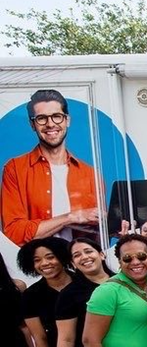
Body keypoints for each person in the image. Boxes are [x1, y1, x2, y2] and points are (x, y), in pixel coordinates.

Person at [1, 89, 99, 246]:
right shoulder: (15, 169)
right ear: (32, 124)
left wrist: (113, 227)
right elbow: (14, 233)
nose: (50, 124)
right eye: (41, 118)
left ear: (67, 120)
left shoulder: (90, 173)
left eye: (56, 116)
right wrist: (71, 217)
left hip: (78, 266)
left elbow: (97, 240)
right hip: (36, 265)